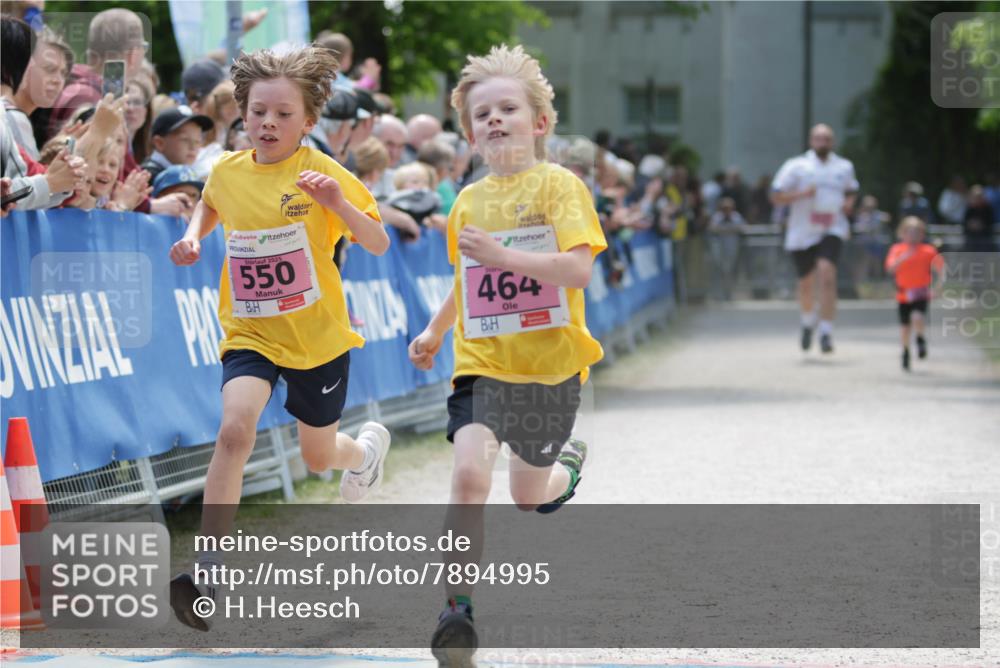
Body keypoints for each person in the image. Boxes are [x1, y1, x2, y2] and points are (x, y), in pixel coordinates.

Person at [166, 45, 392, 632]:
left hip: (317, 337)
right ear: (242, 111)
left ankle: (364, 455)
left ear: (308, 121)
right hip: (250, 329)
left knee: (320, 457)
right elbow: (211, 206)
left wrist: (337, 202)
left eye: (283, 114)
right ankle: (208, 569)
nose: (267, 123)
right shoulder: (227, 171)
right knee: (235, 429)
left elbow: (377, 242)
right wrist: (193, 236)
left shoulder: (322, 172)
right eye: (257, 111)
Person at [407, 44, 605, 664]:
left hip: (549, 369)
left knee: (529, 495)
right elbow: (467, 279)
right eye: (481, 113)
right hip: (483, 363)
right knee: (469, 477)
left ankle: (564, 472)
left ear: (539, 123)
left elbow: (576, 272)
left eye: (508, 109)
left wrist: (505, 257)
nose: (494, 120)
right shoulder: (465, 202)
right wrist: (437, 330)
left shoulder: (561, 187)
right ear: (468, 132)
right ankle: (455, 610)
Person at [771, 123, 858, 353]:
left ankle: (827, 332)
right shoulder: (796, 166)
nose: (823, 143)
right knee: (806, 284)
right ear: (811, 141)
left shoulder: (844, 166)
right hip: (802, 233)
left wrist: (849, 204)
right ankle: (808, 321)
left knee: (827, 274)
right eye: (818, 139)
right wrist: (802, 194)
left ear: (833, 142)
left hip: (832, 228)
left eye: (827, 139)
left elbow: (851, 190)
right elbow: (776, 195)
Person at [2, 26, 73, 160]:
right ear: (24, 66)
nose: (58, 80)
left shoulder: (18, 117)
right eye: (50, 69)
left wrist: (49, 151)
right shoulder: (12, 117)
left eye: (63, 73)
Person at [884, 217, 945, 371]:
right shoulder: (897, 250)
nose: (912, 235)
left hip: (920, 293)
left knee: (917, 317)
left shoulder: (928, 250)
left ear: (922, 234)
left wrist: (938, 287)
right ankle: (905, 351)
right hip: (903, 294)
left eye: (916, 232)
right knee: (905, 328)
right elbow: (890, 268)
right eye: (909, 232)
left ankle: (920, 338)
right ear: (902, 233)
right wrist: (903, 258)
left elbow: (942, 269)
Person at [141, 107, 212, 181]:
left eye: (197, 141)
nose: (193, 147)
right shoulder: (148, 177)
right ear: (160, 143)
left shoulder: (187, 173)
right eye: (185, 140)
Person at [707, 196, 746, 300]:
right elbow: (713, 228)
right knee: (719, 271)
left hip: (732, 249)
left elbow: (742, 227)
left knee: (729, 271)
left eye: (728, 207)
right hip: (719, 249)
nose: (726, 210)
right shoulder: (717, 217)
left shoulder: (736, 217)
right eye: (724, 207)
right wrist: (727, 229)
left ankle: (728, 293)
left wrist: (725, 230)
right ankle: (718, 294)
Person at [962, 184, 997, 252]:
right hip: (971, 240)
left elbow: (990, 224)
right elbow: (964, 224)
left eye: (979, 196)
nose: (978, 198)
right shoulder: (969, 209)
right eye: (976, 196)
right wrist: (971, 225)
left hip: (985, 240)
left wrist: (981, 225)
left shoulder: (988, 209)